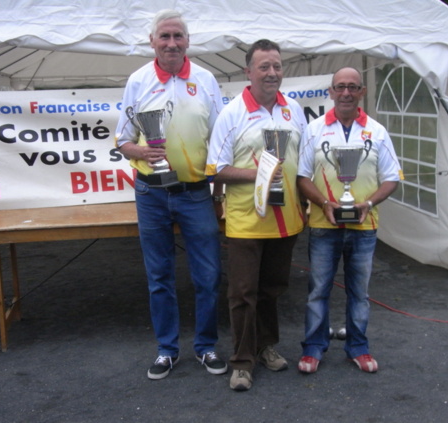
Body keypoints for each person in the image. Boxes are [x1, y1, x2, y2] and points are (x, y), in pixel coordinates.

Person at [115, 9, 227, 380]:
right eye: (164, 36)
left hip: (196, 193)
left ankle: (206, 346)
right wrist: (142, 152)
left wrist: (219, 192)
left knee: (208, 276)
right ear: (152, 42)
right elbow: (123, 140)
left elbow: (221, 143)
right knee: (159, 276)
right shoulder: (138, 80)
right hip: (151, 193)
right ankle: (167, 349)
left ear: (188, 41)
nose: (172, 43)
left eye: (178, 36)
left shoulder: (207, 79)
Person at [206, 39, 307, 391]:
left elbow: (304, 163)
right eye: (264, 66)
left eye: (277, 66)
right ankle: (242, 361)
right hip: (246, 220)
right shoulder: (232, 113)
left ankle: (265, 346)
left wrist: (309, 204)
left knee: (272, 289)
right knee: (243, 292)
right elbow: (215, 168)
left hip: (287, 218)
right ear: (248, 71)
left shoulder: (294, 110)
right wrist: (258, 175)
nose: (272, 72)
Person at [296, 67, 402, 374]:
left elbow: (392, 178)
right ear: (330, 91)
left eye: (352, 87)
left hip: (364, 227)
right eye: (340, 87)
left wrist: (368, 203)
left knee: (360, 292)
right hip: (323, 224)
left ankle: (358, 346)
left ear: (362, 92)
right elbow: (302, 176)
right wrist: (323, 202)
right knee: (318, 290)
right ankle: (313, 347)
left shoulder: (377, 131)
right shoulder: (314, 129)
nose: (346, 93)